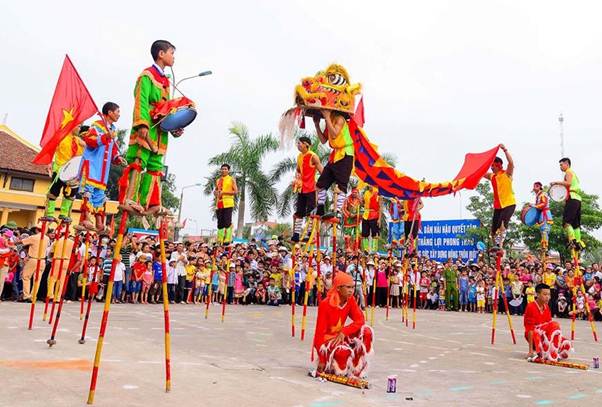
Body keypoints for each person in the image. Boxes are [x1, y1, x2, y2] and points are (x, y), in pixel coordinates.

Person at [120, 39, 183, 217]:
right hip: (147, 125)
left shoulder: (166, 80)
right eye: (172, 53)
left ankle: (152, 203)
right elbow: (140, 99)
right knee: (139, 160)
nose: (173, 57)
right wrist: (142, 123)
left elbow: (166, 108)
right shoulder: (147, 75)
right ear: (161, 54)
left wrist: (174, 126)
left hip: (160, 130)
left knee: (155, 166)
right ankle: (131, 198)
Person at [312, 272, 373, 378]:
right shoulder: (325, 304)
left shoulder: (350, 300)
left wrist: (345, 331)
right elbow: (319, 333)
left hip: (341, 335)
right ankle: (331, 363)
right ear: (339, 288)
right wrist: (322, 359)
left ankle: (356, 367)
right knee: (343, 352)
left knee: (366, 332)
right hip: (328, 340)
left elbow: (360, 320)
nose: (351, 290)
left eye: (353, 287)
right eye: (348, 287)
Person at [79, 102, 125, 232]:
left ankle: (99, 222)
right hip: (92, 164)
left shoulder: (113, 129)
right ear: (110, 112)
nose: (119, 115)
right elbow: (90, 141)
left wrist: (117, 157)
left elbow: (112, 148)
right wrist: (105, 137)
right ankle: (86, 218)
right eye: (117, 112)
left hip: (103, 169)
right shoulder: (97, 125)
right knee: (88, 192)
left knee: (99, 195)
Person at [312, 109, 354, 219]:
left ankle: (338, 212)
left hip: (345, 153)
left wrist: (326, 117)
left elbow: (334, 134)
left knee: (341, 185)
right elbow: (323, 140)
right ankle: (320, 209)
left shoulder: (340, 119)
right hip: (335, 155)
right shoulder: (329, 120)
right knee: (320, 184)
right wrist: (316, 125)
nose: (322, 112)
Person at [45, 126, 85, 220]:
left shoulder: (78, 140)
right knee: (54, 192)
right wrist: (49, 163)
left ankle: (64, 213)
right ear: (73, 125)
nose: (80, 129)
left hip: (73, 172)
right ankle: (50, 213)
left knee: (71, 193)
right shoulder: (61, 137)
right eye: (78, 126)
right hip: (59, 169)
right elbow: (50, 150)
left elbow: (86, 151)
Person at [524, 283, 571, 362]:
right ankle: (547, 352)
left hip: (544, 335)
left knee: (565, 342)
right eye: (545, 294)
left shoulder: (546, 306)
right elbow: (529, 329)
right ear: (537, 294)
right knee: (554, 325)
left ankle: (552, 351)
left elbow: (550, 326)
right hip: (534, 335)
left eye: (549, 294)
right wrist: (531, 351)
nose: (548, 297)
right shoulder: (531, 307)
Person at [291, 136, 323, 242]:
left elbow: (322, 171)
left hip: (311, 189)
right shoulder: (299, 156)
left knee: (311, 212)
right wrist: (296, 179)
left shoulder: (313, 156)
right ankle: (296, 234)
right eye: (297, 143)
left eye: (300, 143)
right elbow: (298, 170)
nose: (298, 145)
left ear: (306, 144)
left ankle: (310, 234)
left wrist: (322, 185)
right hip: (301, 189)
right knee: (299, 212)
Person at [484, 144, 515, 248]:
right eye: (491, 166)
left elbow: (511, 163)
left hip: (509, 203)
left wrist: (505, 150)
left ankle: (500, 245)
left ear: (498, 165)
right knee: (492, 231)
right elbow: (481, 172)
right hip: (498, 206)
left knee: (502, 225)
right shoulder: (492, 176)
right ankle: (495, 246)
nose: (491, 168)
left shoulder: (507, 174)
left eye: (493, 165)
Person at [551, 157, 585, 252]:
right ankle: (578, 242)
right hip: (577, 199)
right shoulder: (574, 174)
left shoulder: (568, 172)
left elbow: (568, 183)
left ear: (567, 164)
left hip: (572, 197)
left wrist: (556, 182)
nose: (560, 167)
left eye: (561, 165)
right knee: (576, 224)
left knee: (566, 222)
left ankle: (572, 240)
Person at [19, 225, 51, 302]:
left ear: (37, 230)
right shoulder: (47, 238)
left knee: (26, 277)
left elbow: (22, 242)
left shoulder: (34, 237)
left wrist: (12, 242)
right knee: (37, 279)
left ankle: (26, 296)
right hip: (42, 260)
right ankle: (33, 297)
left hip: (33, 259)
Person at [214, 164, 238, 245]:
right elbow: (216, 191)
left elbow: (235, 192)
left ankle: (227, 239)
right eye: (222, 169)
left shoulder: (231, 179)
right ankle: (220, 239)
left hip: (228, 202)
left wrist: (224, 192)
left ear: (228, 170)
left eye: (225, 169)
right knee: (220, 222)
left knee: (227, 221)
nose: (223, 170)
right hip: (219, 203)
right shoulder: (218, 180)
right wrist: (216, 193)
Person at [531, 182, 553, 253]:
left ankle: (545, 247)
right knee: (542, 230)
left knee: (545, 230)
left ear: (539, 187)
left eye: (536, 186)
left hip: (545, 214)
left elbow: (544, 204)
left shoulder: (543, 194)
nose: (534, 188)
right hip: (541, 214)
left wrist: (535, 206)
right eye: (534, 186)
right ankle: (543, 246)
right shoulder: (538, 195)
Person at [361, 185, 380, 253]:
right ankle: (366, 249)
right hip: (366, 215)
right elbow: (362, 202)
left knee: (375, 233)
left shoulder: (378, 193)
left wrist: (379, 219)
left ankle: (374, 249)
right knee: (364, 233)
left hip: (374, 215)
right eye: (369, 184)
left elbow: (380, 207)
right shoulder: (366, 192)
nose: (370, 185)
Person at [341, 187, 361, 252]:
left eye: (356, 192)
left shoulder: (360, 201)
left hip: (356, 219)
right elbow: (343, 208)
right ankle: (347, 247)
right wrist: (349, 214)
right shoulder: (347, 199)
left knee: (357, 234)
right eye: (353, 192)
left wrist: (358, 215)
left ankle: (356, 248)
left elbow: (363, 209)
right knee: (347, 234)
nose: (354, 193)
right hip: (348, 219)